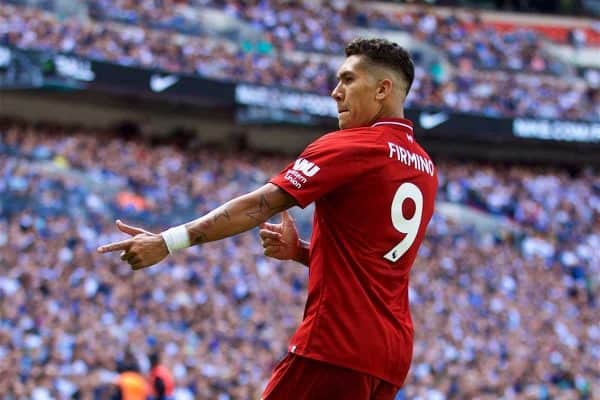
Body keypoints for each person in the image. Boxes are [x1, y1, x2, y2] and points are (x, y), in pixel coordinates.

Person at [97, 37, 438, 400]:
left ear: (383, 88)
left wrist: (168, 241)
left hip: (336, 345)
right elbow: (377, 262)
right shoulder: (426, 168)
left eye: (348, 80)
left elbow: (259, 205)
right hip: (391, 355)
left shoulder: (353, 144)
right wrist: (304, 252)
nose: (336, 92)